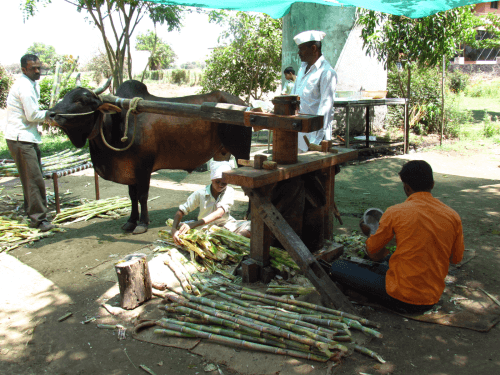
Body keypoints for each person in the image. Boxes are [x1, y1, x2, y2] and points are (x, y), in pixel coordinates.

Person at [329, 160, 464, 313]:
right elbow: (456, 258)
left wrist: (370, 233)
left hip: (402, 296)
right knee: (388, 259)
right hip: (432, 296)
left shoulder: (396, 212)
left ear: (406, 187)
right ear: (432, 184)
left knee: (338, 267)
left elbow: (372, 251)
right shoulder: (453, 216)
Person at [4, 54, 54, 232]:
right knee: (33, 180)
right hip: (21, 139)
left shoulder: (30, 84)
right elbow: (32, 115)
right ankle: (38, 220)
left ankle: (34, 214)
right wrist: (51, 114)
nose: (37, 71)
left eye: (39, 67)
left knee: (33, 177)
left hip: (26, 137)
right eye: (33, 68)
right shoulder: (24, 86)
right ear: (24, 69)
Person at [171, 161, 251, 245]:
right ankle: (231, 240)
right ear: (212, 179)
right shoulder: (200, 193)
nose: (221, 185)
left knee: (252, 226)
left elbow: (219, 213)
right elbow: (181, 211)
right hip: (205, 228)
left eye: (224, 183)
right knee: (180, 230)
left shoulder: (229, 191)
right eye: (217, 182)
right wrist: (173, 229)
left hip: (226, 225)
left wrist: (193, 224)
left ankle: (233, 238)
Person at [292, 30, 337, 153]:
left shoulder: (326, 72)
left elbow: (325, 109)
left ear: (313, 49)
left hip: (315, 139)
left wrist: (315, 142)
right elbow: (293, 97)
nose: (299, 53)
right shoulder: (302, 69)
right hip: (300, 135)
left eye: (301, 49)